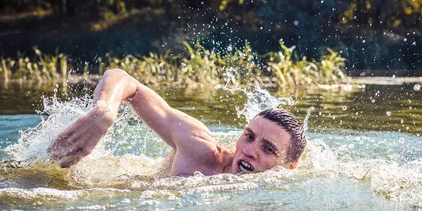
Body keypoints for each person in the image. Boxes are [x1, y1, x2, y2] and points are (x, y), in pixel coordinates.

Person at [48, 69, 306, 176]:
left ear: (289, 167)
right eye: (249, 137)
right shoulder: (201, 150)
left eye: (268, 149)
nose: (250, 150)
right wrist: (103, 112)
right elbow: (125, 80)